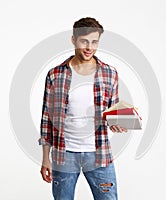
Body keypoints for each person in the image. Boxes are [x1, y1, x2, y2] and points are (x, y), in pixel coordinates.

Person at [38, 17, 127, 200]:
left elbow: (113, 111)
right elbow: (47, 118)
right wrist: (46, 157)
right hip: (64, 154)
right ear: (74, 40)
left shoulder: (109, 73)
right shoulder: (56, 74)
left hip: (99, 154)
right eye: (84, 41)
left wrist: (118, 123)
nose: (89, 47)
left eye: (94, 42)